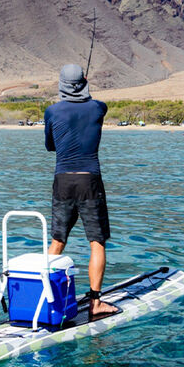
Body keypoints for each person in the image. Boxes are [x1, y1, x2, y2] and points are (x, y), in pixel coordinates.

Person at [44, 63, 118, 321]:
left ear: (61, 84)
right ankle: (95, 302)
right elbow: (97, 105)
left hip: (63, 180)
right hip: (90, 181)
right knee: (96, 242)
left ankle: (43, 298)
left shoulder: (52, 111)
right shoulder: (98, 108)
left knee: (58, 240)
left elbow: (50, 146)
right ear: (84, 82)